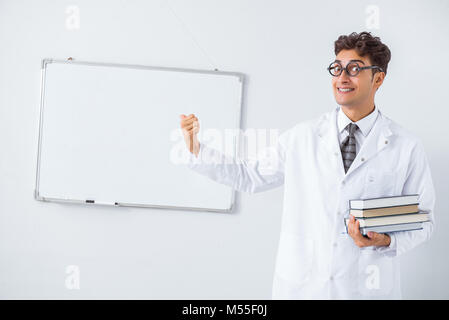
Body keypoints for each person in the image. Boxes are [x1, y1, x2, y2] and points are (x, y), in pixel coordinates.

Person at [179, 32, 435, 299]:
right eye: (337, 68)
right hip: (303, 287)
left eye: (354, 69)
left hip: (367, 288)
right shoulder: (302, 136)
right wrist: (195, 147)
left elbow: (424, 219)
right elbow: (249, 175)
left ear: (378, 78)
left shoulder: (405, 145)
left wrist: (388, 241)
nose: (342, 77)